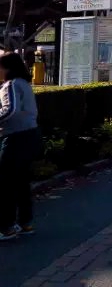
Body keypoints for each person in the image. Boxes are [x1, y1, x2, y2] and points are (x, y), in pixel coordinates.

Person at [0, 52, 42, 240]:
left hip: (15, 137)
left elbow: (10, 110)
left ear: (6, 68)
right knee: (21, 182)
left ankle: (6, 227)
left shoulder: (11, 85)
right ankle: (26, 223)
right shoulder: (24, 84)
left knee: (6, 183)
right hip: (31, 135)